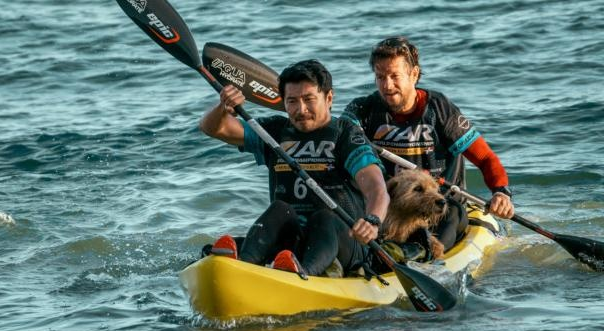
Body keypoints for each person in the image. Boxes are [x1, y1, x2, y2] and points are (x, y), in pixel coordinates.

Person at [199, 59, 389, 276]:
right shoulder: (274, 131)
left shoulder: (346, 134)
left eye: (309, 99)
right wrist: (223, 108)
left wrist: (372, 221)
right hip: (293, 244)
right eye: (292, 101)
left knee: (324, 216)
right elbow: (213, 128)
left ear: (328, 98)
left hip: (344, 242)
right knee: (280, 209)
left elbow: (376, 188)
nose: (301, 109)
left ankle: (305, 275)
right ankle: (242, 268)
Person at [342, 36, 515, 252]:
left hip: (441, 206)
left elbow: (485, 158)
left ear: (414, 74)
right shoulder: (363, 109)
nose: (387, 85)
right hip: (388, 205)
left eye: (395, 76)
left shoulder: (439, 110)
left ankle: (424, 253)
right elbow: (334, 140)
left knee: (453, 212)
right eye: (380, 77)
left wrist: (501, 193)